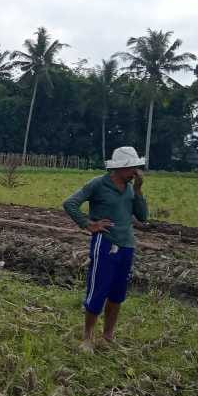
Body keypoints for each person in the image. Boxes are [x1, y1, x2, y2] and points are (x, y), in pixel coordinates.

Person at [62, 145, 148, 351]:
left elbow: (143, 216)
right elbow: (70, 203)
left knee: (117, 293)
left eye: (136, 167)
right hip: (105, 244)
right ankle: (88, 338)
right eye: (131, 168)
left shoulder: (130, 188)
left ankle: (108, 336)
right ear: (119, 168)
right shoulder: (98, 184)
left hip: (127, 245)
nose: (135, 172)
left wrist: (138, 190)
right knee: (98, 290)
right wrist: (88, 224)